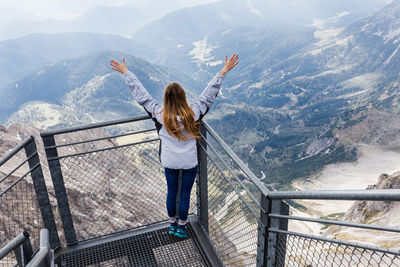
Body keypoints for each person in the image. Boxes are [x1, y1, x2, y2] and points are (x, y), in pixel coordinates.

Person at [110, 54, 239, 238]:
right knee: (185, 195)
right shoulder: (193, 115)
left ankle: (171, 224)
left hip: (169, 161)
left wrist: (126, 73)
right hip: (189, 162)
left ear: (166, 99)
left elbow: (142, 96)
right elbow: (208, 95)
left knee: (172, 192)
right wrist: (223, 71)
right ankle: (182, 227)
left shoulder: (159, 115)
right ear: (183, 97)